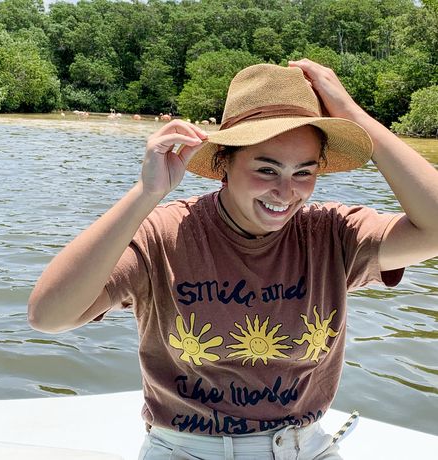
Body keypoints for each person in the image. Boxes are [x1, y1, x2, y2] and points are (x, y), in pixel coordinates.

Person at [28, 60, 438, 459]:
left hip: (304, 446)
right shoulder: (164, 234)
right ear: (224, 163)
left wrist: (350, 113)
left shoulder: (333, 233)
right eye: (266, 169)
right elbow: (49, 316)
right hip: (188, 449)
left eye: (303, 173)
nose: (285, 192)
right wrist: (145, 194)